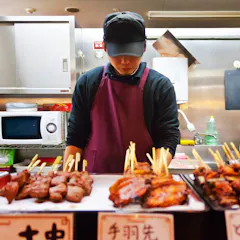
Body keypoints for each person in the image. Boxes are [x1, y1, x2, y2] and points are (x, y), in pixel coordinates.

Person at [64, 11, 180, 173]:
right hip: (95, 177)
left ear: (144, 48)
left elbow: (167, 137)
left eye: (131, 54)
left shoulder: (160, 85)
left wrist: (154, 176)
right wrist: (68, 178)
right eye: (118, 54)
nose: (125, 61)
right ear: (105, 47)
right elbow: (76, 136)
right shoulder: (88, 83)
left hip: (142, 176)